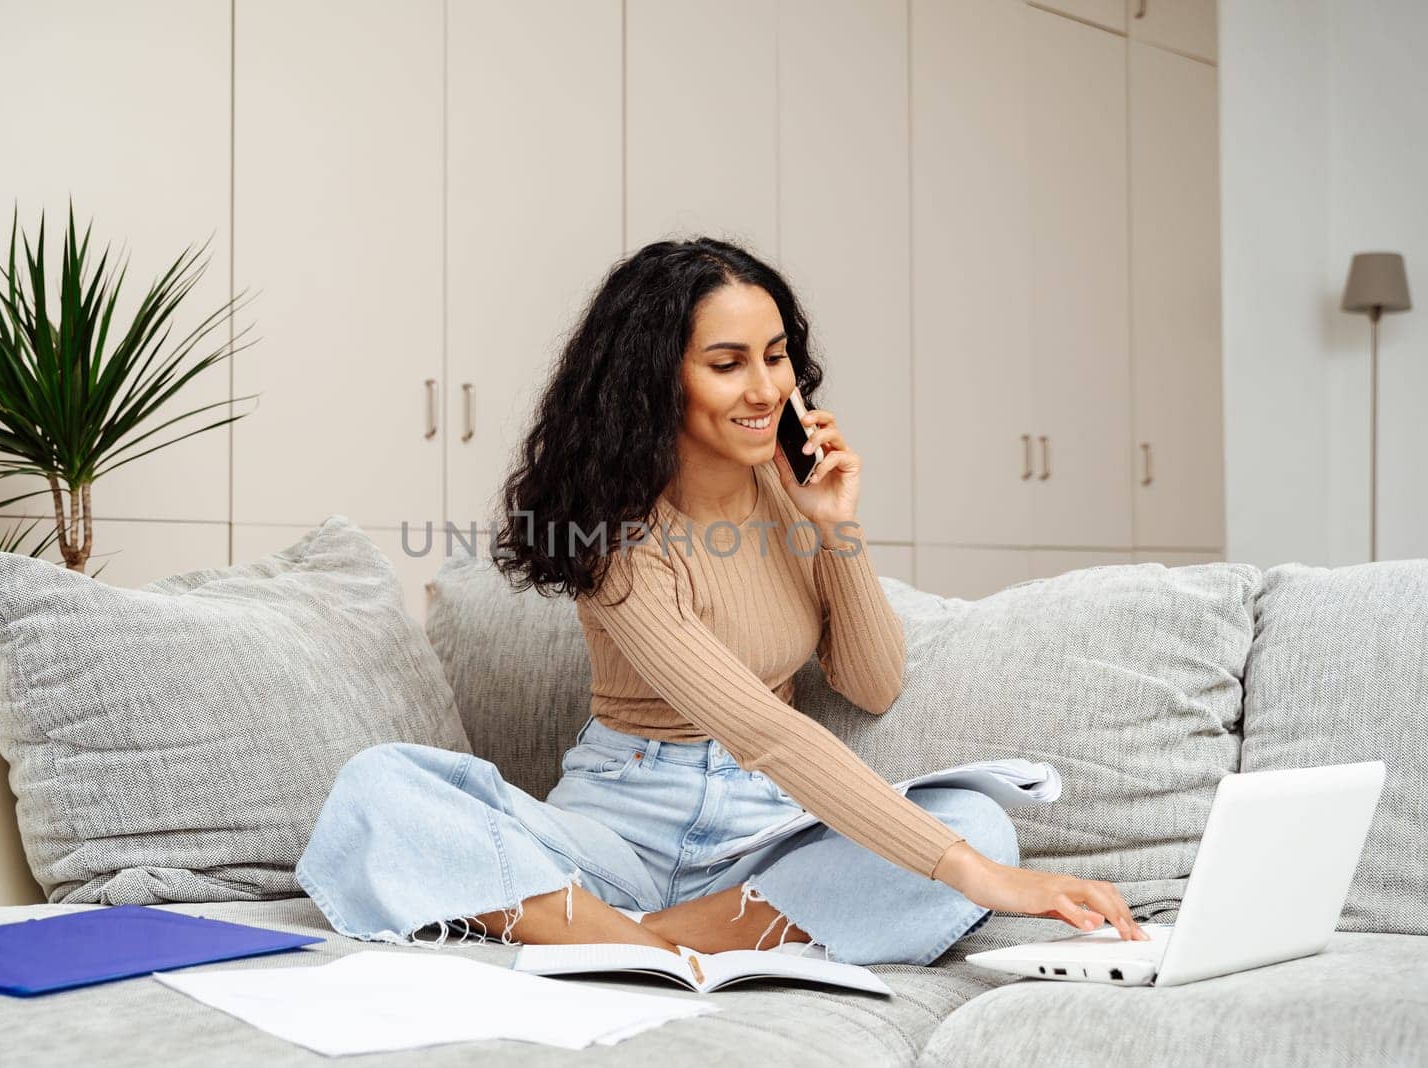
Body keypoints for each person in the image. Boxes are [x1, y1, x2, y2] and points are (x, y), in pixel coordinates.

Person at [295, 236, 1149, 966]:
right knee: (380, 787)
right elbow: (765, 731)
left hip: (760, 836)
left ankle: (622, 943)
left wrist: (835, 528)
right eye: (727, 363)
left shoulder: (784, 495)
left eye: (776, 356)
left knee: (978, 822)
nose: (766, 389)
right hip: (618, 826)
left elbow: (873, 683)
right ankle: (655, 948)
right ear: (654, 383)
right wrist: (977, 881)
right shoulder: (619, 541)